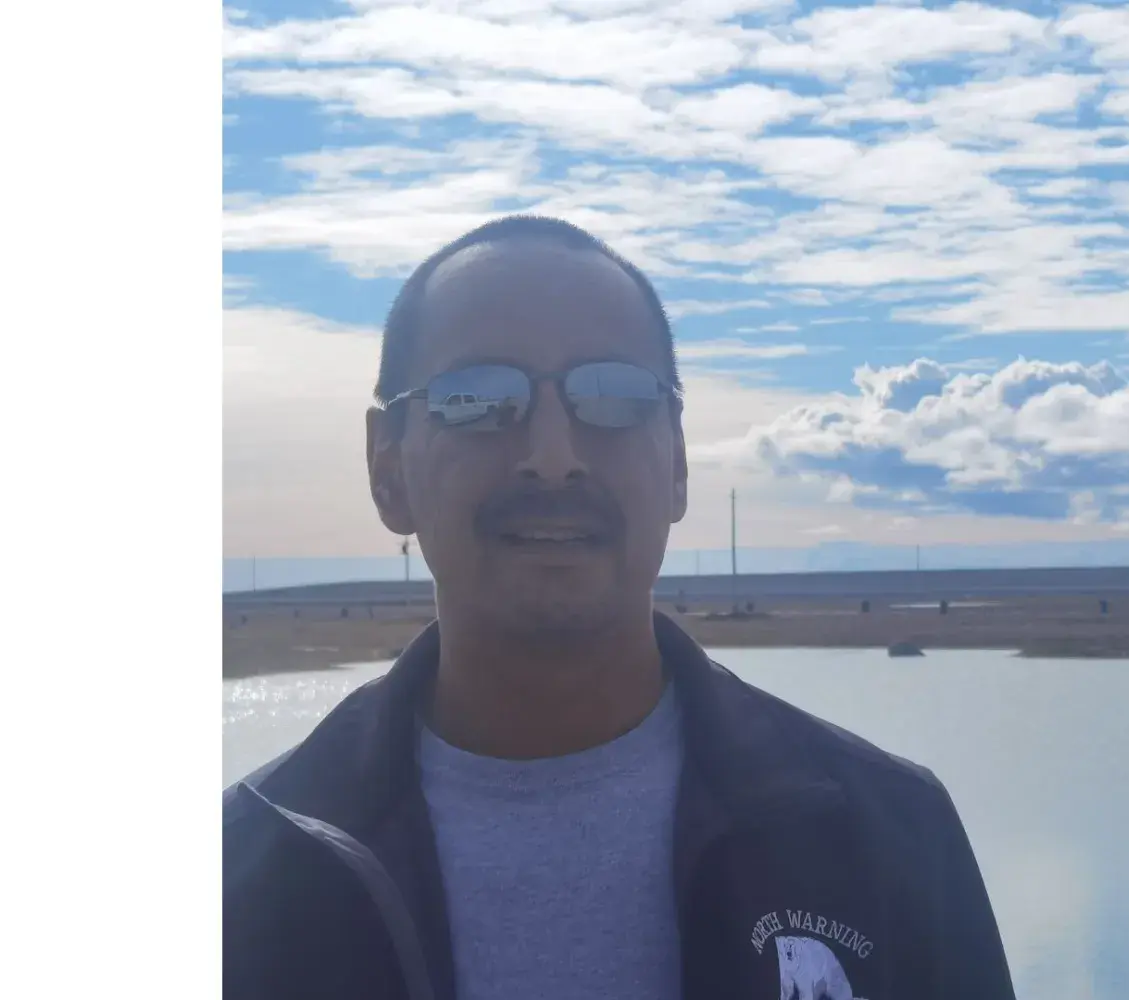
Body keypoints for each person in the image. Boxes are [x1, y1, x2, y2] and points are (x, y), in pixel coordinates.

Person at [221, 215, 1017, 1000]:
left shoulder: (890, 839)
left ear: (677, 464)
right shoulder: (239, 880)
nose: (553, 457)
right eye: (477, 399)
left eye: (615, 396)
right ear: (386, 467)